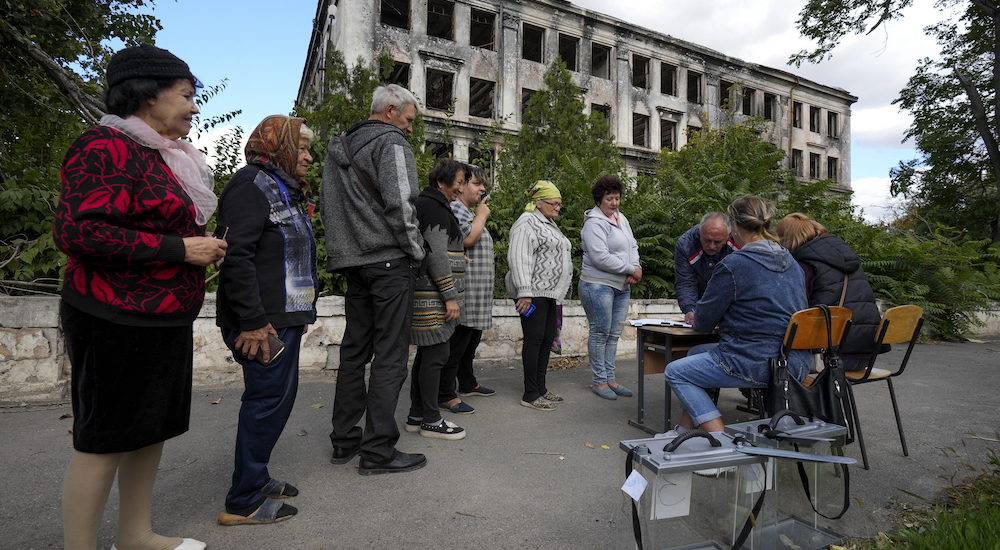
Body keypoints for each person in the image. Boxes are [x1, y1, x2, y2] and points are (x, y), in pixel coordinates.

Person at [53, 44, 226, 550]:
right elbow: (78, 233)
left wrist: (200, 250)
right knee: (103, 438)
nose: (195, 106)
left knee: (151, 429)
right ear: (149, 94)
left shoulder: (167, 156)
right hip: (111, 315)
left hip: (162, 316)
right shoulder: (103, 146)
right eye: (187, 95)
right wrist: (179, 248)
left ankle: (134, 535)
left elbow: (159, 231)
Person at [215, 115, 318, 525]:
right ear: (281, 147)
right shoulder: (250, 185)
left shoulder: (281, 187)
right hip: (262, 325)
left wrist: (301, 309)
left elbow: (289, 252)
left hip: (282, 318)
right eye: (304, 148)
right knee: (264, 405)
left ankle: (255, 478)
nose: (309, 157)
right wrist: (254, 321)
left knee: (277, 403)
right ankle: (242, 501)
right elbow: (233, 255)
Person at [321, 84, 428, 475]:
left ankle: (344, 441)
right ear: (390, 110)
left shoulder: (341, 148)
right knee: (390, 356)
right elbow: (402, 204)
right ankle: (378, 451)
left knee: (354, 353)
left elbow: (332, 208)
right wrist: (416, 250)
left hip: (354, 264)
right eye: (410, 120)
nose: (411, 129)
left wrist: (345, 253)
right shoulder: (392, 143)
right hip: (388, 262)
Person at [664, 196, 810, 433]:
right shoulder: (791, 261)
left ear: (734, 225)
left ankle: (720, 443)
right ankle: (685, 431)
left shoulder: (734, 264)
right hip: (794, 361)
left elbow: (703, 322)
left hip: (754, 361)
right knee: (695, 354)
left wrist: (702, 314)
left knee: (676, 372)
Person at [404, 159, 467, 439]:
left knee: (428, 355)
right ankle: (431, 419)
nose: (461, 188)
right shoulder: (434, 207)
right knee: (436, 355)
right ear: (441, 181)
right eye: (459, 182)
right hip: (433, 296)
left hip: (431, 293)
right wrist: (450, 296)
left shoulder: (433, 205)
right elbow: (436, 255)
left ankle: (417, 414)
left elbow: (439, 249)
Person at [775, 213, 886, 371]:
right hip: (866, 353)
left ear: (787, 238)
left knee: (772, 351)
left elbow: (792, 310)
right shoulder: (847, 258)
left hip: (832, 357)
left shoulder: (805, 265)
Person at [506, 181, 573, 411]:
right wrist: (524, 292)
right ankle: (530, 393)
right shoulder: (527, 223)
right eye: (554, 203)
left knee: (546, 340)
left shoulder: (548, 223)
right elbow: (519, 257)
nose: (558, 208)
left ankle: (541, 389)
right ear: (538, 202)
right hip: (531, 294)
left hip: (548, 294)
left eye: (559, 204)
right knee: (534, 341)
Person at [437, 165, 496, 415]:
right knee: (457, 343)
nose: (482, 189)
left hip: (477, 290)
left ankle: (467, 382)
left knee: (470, 341)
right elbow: (466, 239)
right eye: (476, 183)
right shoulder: (456, 209)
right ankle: (446, 394)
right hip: (464, 291)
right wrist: (481, 216)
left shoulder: (467, 210)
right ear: (460, 188)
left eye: (484, 184)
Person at [580, 176, 641, 400]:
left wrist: (636, 266)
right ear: (599, 200)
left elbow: (632, 245)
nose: (614, 203)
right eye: (609, 199)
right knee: (600, 333)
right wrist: (629, 269)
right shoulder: (593, 223)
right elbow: (600, 257)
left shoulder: (620, 218)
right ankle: (599, 381)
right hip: (597, 285)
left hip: (621, 286)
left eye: (617, 198)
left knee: (614, 334)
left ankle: (611, 379)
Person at [675, 212, 737, 325]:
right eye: (707, 240)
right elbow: (686, 282)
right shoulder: (685, 245)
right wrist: (690, 310)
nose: (712, 246)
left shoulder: (739, 243)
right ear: (699, 231)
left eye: (718, 242)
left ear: (729, 235)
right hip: (701, 302)